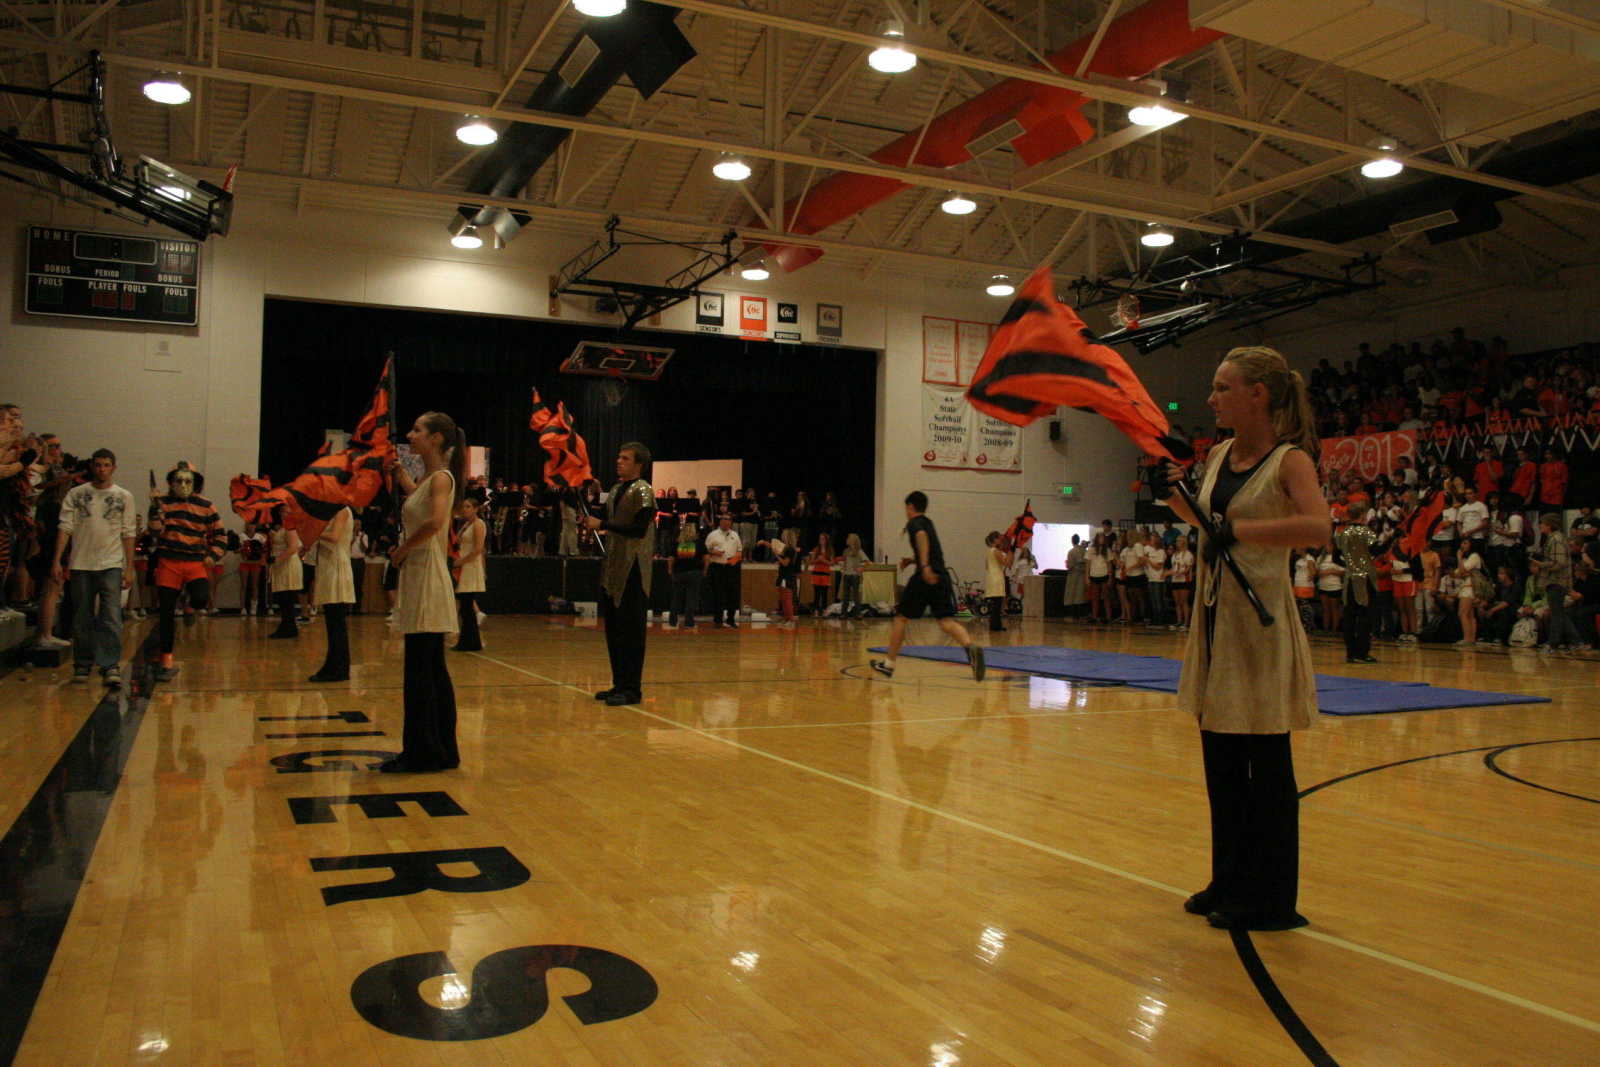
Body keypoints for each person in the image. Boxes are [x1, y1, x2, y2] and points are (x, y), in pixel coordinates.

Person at [1155, 345, 1328, 932]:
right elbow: (1207, 522)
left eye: (1223, 388)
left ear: (1258, 395)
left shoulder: (1289, 461)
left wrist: (1243, 529)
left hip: (1260, 628)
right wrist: (1172, 495)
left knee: (1266, 766)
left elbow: (1318, 527)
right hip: (1215, 624)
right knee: (1222, 764)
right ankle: (1228, 879)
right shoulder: (1220, 454)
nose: (1211, 399)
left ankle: (1273, 899)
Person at [383, 411, 466, 772]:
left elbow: (434, 521)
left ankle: (422, 752)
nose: (410, 434)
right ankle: (441, 749)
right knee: (430, 668)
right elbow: (420, 502)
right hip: (420, 572)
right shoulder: (428, 479)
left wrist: (402, 550)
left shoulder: (442, 478)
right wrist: (400, 474)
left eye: (417, 430)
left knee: (421, 670)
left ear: (435, 438)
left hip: (426, 572)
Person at [870, 492, 984, 681]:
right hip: (941, 575)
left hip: (925, 576)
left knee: (901, 618)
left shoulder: (915, 523)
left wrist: (923, 566)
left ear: (911, 506)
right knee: (945, 621)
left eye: (906, 508)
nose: (906, 511)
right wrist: (913, 560)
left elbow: (921, 537)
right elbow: (931, 549)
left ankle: (888, 664)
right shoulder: (928, 522)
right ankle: (970, 647)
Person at [52, 449, 135, 687]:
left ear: (113, 468)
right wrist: (57, 559)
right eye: (98, 465)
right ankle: (82, 663)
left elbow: (129, 532)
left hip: (111, 563)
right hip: (81, 563)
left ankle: (110, 665)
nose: (102, 469)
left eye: (106, 465)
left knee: (111, 617)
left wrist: (129, 567)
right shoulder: (76, 494)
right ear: (92, 467)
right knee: (82, 616)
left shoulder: (124, 496)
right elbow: (65, 527)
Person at [586, 442, 656, 706]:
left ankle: (632, 688)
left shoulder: (644, 490)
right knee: (614, 630)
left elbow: (638, 529)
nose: (618, 461)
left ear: (639, 464)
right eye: (619, 457)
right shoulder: (616, 489)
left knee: (631, 631)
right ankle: (619, 683)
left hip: (634, 569)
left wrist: (602, 524)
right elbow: (606, 517)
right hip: (613, 568)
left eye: (625, 458)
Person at [147, 463, 227, 681]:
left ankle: (190, 606)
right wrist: (153, 508)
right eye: (179, 480)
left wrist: (213, 555)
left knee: (201, 598)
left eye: (187, 481)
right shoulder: (163, 502)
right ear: (171, 482)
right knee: (166, 612)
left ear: (195, 483)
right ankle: (166, 660)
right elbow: (154, 532)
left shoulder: (206, 505)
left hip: (194, 562)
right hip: (168, 562)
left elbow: (221, 534)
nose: (183, 485)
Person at [309, 506, 355, 681]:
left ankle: (338, 669)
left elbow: (335, 537)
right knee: (333, 623)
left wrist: (313, 531)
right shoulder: (332, 511)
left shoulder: (342, 510)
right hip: (329, 567)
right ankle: (334, 666)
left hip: (336, 567)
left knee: (337, 623)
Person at [1334, 502, 1380, 664]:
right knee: (1365, 616)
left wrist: (1349, 565)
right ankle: (1362, 652)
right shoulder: (1366, 532)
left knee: (1349, 616)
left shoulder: (1342, 533)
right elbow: (1377, 550)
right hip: (1365, 579)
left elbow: (1335, 557)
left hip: (1349, 578)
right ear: (1362, 515)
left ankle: (1350, 652)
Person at [1530, 513, 1582, 653]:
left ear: (1549, 525)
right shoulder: (1554, 538)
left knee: (1556, 613)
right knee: (1558, 612)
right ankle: (1575, 641)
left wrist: (1541, 564)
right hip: (1556, 580)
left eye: (1542, 523)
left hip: (1557, 580)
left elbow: (1559, 563)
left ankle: (1553, 643)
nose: (1540, 526)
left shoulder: (1556, 540)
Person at [450, 496, 487, 652]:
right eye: (463, 507)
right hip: (463, 565)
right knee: (465, 606)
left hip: (470, 566)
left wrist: (460, 562)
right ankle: (469, 641)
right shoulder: (466, 524)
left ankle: (469, 642)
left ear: (475, 509)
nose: (464, 510)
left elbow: (478, 549)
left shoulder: (479, 524)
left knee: (466, 605)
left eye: (468, 507)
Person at [266, 513, 304, 638]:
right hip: (282, 565)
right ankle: (288, 626)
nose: (283, 514)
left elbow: (293, 547)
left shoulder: (289, 528)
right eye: (281, 512)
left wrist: (276, 559)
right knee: (283, 598)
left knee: (286, 597)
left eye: (286, 512)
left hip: (287, 565)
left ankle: (288, 627)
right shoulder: (283, 528)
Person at [705, 510, 743, 627]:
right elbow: (706, 550)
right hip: (717, 567)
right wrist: (714, 552)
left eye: (728, 520)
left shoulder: (735, 535)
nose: (726, 522)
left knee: (733, 594)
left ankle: (731, 619)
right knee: (718, 594)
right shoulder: (713, 535)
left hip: (731, 567)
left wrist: (734, 560)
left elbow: (739, 551)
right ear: (720, 521)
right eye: (724, 519)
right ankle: (718, 620)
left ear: (731, 522)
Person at [667, 515, 705, 629]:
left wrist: (670, 570)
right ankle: (689, 622)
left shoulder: (677, 543)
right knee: (691, 599)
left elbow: (671, 558)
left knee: (676, 598)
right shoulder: (698, 543)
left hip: (679, 573)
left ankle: (672, 622)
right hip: (694, 573)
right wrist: (704, 570)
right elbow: (706, 558)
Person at [983, 531, 1011, 633]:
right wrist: (1010, 553)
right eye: (999, 538)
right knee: (998, 603)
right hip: (997, 578)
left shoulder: (989, 551)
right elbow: (1006, 563)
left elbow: (987, 566)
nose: (1001, 540)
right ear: (995, 540)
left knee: (996, 603)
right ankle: (995, 626)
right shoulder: (996, 551)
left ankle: (996, 625)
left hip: (991, 577)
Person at [238, 521, 267, 616]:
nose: (251, 526)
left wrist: (261, 559)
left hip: (256, 563)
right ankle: (242, 608)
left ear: (255, 526)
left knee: (255, 585)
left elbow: (265, 550)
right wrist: (243, 549)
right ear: (246, 525)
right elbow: (236, 550)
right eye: (249, 524)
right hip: (244, 563)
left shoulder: (260, 537)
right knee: (243, 585)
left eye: (253, 524)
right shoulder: (241, 536)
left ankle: (254, 608)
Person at [807, 532, 835, 618]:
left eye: (823, 538)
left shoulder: (830, 550)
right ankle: (815, 611)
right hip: (816, 573)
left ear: (826, 540)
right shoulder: (816, 549)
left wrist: (823, 560)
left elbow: (832, 563)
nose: (821, 540)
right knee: (816, 593)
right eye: (820, 538)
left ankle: (824, 611)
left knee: (824, 594)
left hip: (825, 574)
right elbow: (811, 562)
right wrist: (818, 560)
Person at [1084, 533, 1111, 623]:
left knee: (1106, 597)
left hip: (1104, 575)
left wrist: (1110, 577)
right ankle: (1094, 616)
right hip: (1094, 575)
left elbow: (1109, 565)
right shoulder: (1091, 550)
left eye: (1102, 537)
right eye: (1099, 537)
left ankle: (1108, 617)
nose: (1101, 539)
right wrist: (1087, 577)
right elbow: (1087, 565)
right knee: (1095, 597)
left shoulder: (1107, 550)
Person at [1170, 534, 1195, 631]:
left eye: (1179, 541)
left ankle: (1186, 623)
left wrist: (1179, 573)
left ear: (1184, 542)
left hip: (1184, 580)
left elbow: (1188, 569)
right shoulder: (1175, 554)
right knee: (1177, 602)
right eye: (1176, 541)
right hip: (1175, 580)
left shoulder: (1188, 554)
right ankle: (1179, 621)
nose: (1177, 543)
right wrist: (1169, 573)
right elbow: (1173, 568)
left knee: (1184, 601)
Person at [838, 532, 867, 617]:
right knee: (845, 595)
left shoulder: (859, 551)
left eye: (848, 538)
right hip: (847, 575)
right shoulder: (846, 551)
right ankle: (843, 613)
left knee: (855, 595)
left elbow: (866, 562)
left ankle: (858, 613)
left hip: (855, 576)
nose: (846, 540)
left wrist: (861, 568)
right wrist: (843, 569)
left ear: (852, 540)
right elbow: (844, 562)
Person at [1063, 534, 1087, 619]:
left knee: (1071, 594)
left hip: (1073, 575)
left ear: (1072, 541)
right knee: (1080, 594)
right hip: (1083, 575)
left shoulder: (1071, 552)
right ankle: (1081, 613)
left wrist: (1067, 564)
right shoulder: (1085, 551)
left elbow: (1070, 565)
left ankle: (1073, 614)